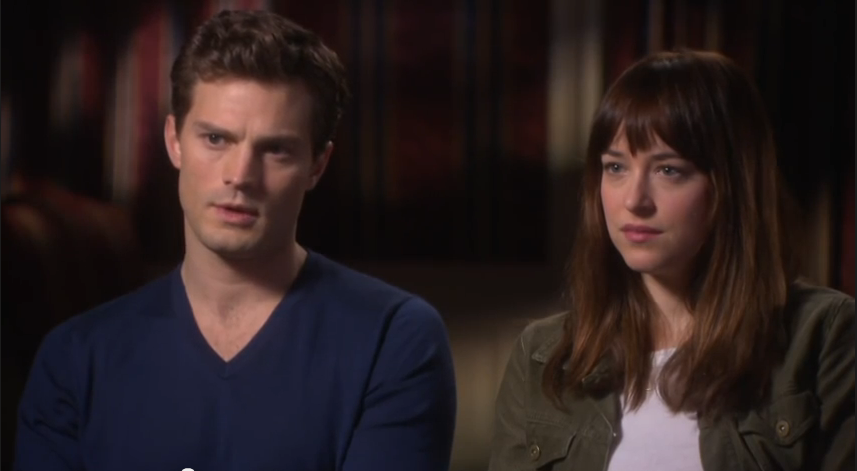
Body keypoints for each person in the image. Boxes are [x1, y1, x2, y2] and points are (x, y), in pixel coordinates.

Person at [14, 10, 457, 471]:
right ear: (174, 140)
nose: (240, 175)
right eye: (215, 139)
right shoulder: (76, 358)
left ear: (317, 165)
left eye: (276, 149)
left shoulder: (393, 339)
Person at [488, 49, 854, 471]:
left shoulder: (825, 336)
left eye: (668, 170)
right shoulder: (544, 355)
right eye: (615, 167)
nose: (634, 200)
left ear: (731, 185)